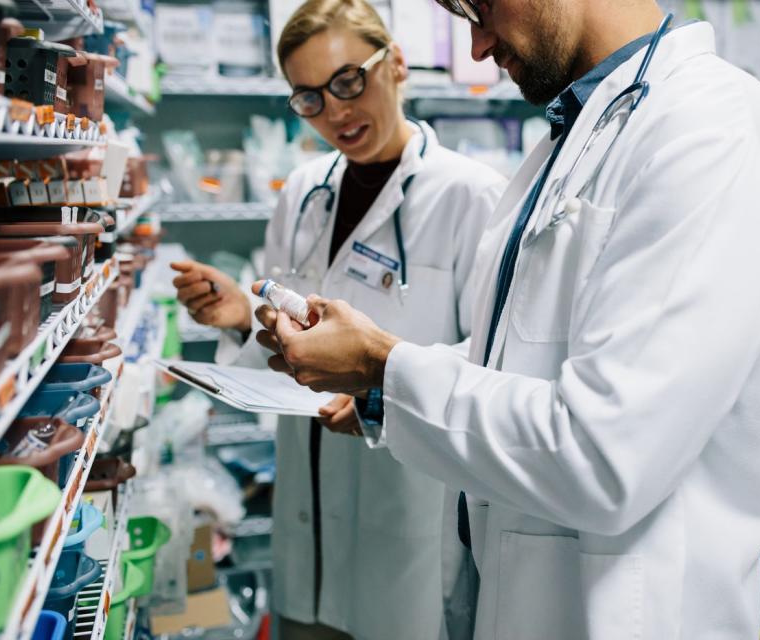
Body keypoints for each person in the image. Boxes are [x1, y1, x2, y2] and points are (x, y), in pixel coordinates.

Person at [254, 0, 760, 637]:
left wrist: (384, 365)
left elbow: (606, 457)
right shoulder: (580, 136)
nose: (476, 46)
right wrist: (379, 384)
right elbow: (514, 361)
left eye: (478, 6)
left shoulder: (714, 133)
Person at [170, 1, 505, 638]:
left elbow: (490, 362)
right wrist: (244, 316)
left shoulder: (473, 196)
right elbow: (289, 327)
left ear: (397, 64)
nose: (336, 112)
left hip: (406, 527)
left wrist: (385, 392)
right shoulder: (301, 192)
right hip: (306, 528)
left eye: (349, 81)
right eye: (309, 98)